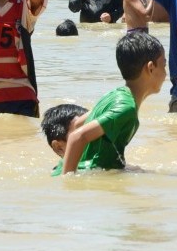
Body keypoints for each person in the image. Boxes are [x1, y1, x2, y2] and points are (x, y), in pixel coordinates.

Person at [41, 32, 166, 175]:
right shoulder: (126, 108)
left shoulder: (116, 95)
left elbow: (77, 125)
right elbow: (76, 137)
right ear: (150, 68)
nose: (165, 73)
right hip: (81, 174)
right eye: (164, 65)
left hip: (73, 168)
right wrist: (68, 181)